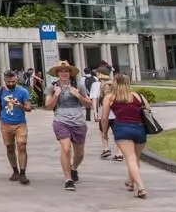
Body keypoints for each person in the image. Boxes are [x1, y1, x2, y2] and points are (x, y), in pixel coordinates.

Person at [99, 72, 151, 198]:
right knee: (135, 159)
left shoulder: (110, 97)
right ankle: (130, 183)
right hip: (139, 129)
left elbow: (104, 117)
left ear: (115, 83)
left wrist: (104, 133)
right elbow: (148, 110)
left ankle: (141, 188)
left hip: (122, 128)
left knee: (130, 158)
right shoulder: (138, 96)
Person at [44, 59, 93, 190]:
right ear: (57, 73)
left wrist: (78, 96)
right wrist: (56, 95)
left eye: (66, 71)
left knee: (80, 154)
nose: (64, 73)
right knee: (66, 149)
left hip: (78, 121)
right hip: (61, 120)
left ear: (70, 73)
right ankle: (68, 179)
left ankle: (73, 168)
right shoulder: (52, 86)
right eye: (61, 71)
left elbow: (89, 104)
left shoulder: (78, 85)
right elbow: (48, 106)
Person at [0, 69, 34, 184]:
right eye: (8, 81)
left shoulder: (23, 91)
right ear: (5, 80)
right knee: (9, 147)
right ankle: (15, 170)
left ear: (16, 79)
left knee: (22, 146)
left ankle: (23, 173)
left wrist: (20, 105)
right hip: (5, 124)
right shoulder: (0, 91)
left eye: (13, 81)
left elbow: (29, 108)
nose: (11, 84)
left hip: (20, 123)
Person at [90, 62, 117, 160]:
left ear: (99, 74)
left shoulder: (96, 84)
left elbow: (94, 99)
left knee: (103, 131)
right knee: (117, 133)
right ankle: (119, 153)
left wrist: (95, 112)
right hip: (116, 113)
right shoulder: (114, 83)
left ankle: (106, 149)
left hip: (103, 113)